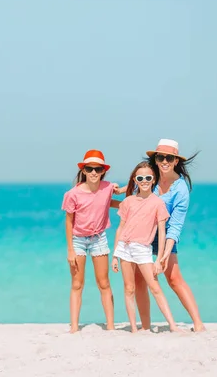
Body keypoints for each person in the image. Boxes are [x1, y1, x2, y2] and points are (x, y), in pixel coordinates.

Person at [115, 139, 205, 332]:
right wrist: (121, 190)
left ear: (175, 161)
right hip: (142, 235)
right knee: (139, 281)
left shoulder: (180, 190)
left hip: (165, 235)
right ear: (155, 159)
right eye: (160, 157)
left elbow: (175, 228)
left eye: (169, 158)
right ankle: (145, 326)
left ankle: (198, 323)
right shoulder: (152, 176)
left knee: (173, 278)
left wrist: (164, 254)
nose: (164, 161)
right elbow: (138, 186)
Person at [111, 161, 180, 333]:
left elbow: (162, 233)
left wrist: (160, 259)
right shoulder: (128, 202)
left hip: (143, 249)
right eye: (140, 177)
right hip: (124, 248)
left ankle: (173, 325)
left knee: (155, 287)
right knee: (129, 288)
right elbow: (121, 228)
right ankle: (134, 329)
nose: (144, 181)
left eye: (148, 177)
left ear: (153, 179)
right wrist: (114, 255)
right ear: (135, 179)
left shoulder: (158, 203)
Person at [61, 149, 121, 333]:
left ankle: (110, 327)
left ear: (103, 170)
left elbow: (110, 200)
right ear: (84, 170)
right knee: (77, 284)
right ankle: (74, 328)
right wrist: (70, 250)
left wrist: (134, 201)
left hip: (99, 239)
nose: (94, 172)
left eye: (97, 169)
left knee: (104, 283)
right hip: (78, 241)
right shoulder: (73, 194)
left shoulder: (108, 187)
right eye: (90, 169)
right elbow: (69, 221)